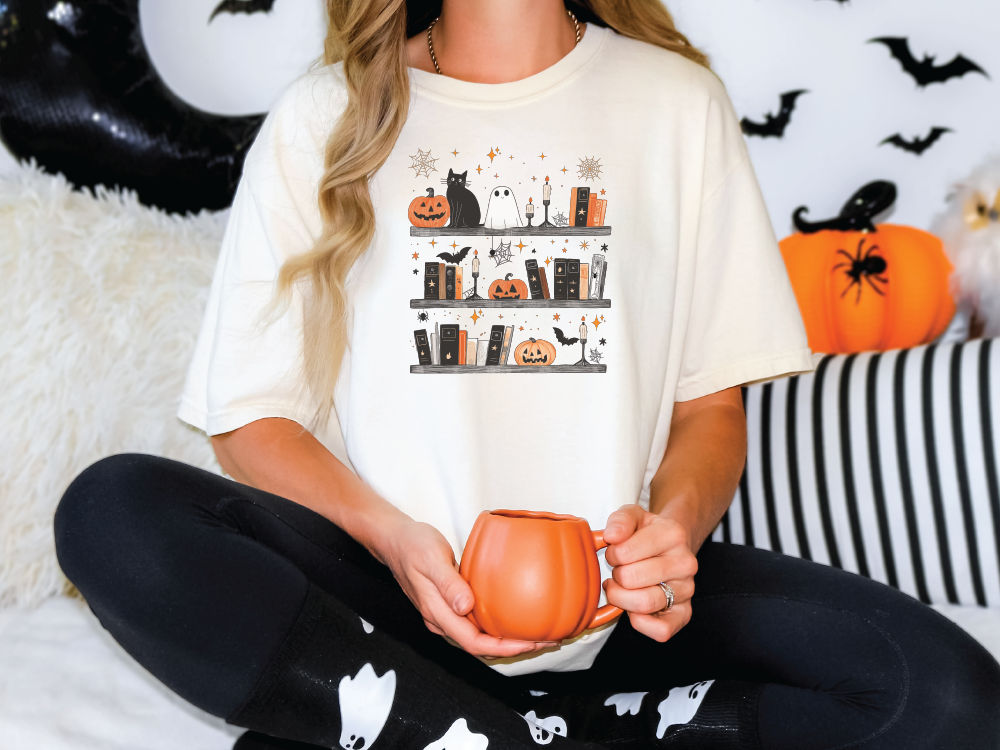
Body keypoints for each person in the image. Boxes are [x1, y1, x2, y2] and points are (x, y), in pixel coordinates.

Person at [54, 1, 1000, 748]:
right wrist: (391, 539)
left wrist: (669, 536)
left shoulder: (677, 104)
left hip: (621, 619)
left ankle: (436, 732)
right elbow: (248, 420)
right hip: (393, 599)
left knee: (949, 698)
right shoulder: (324, 117)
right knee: (112, 511)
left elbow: (710, 411)